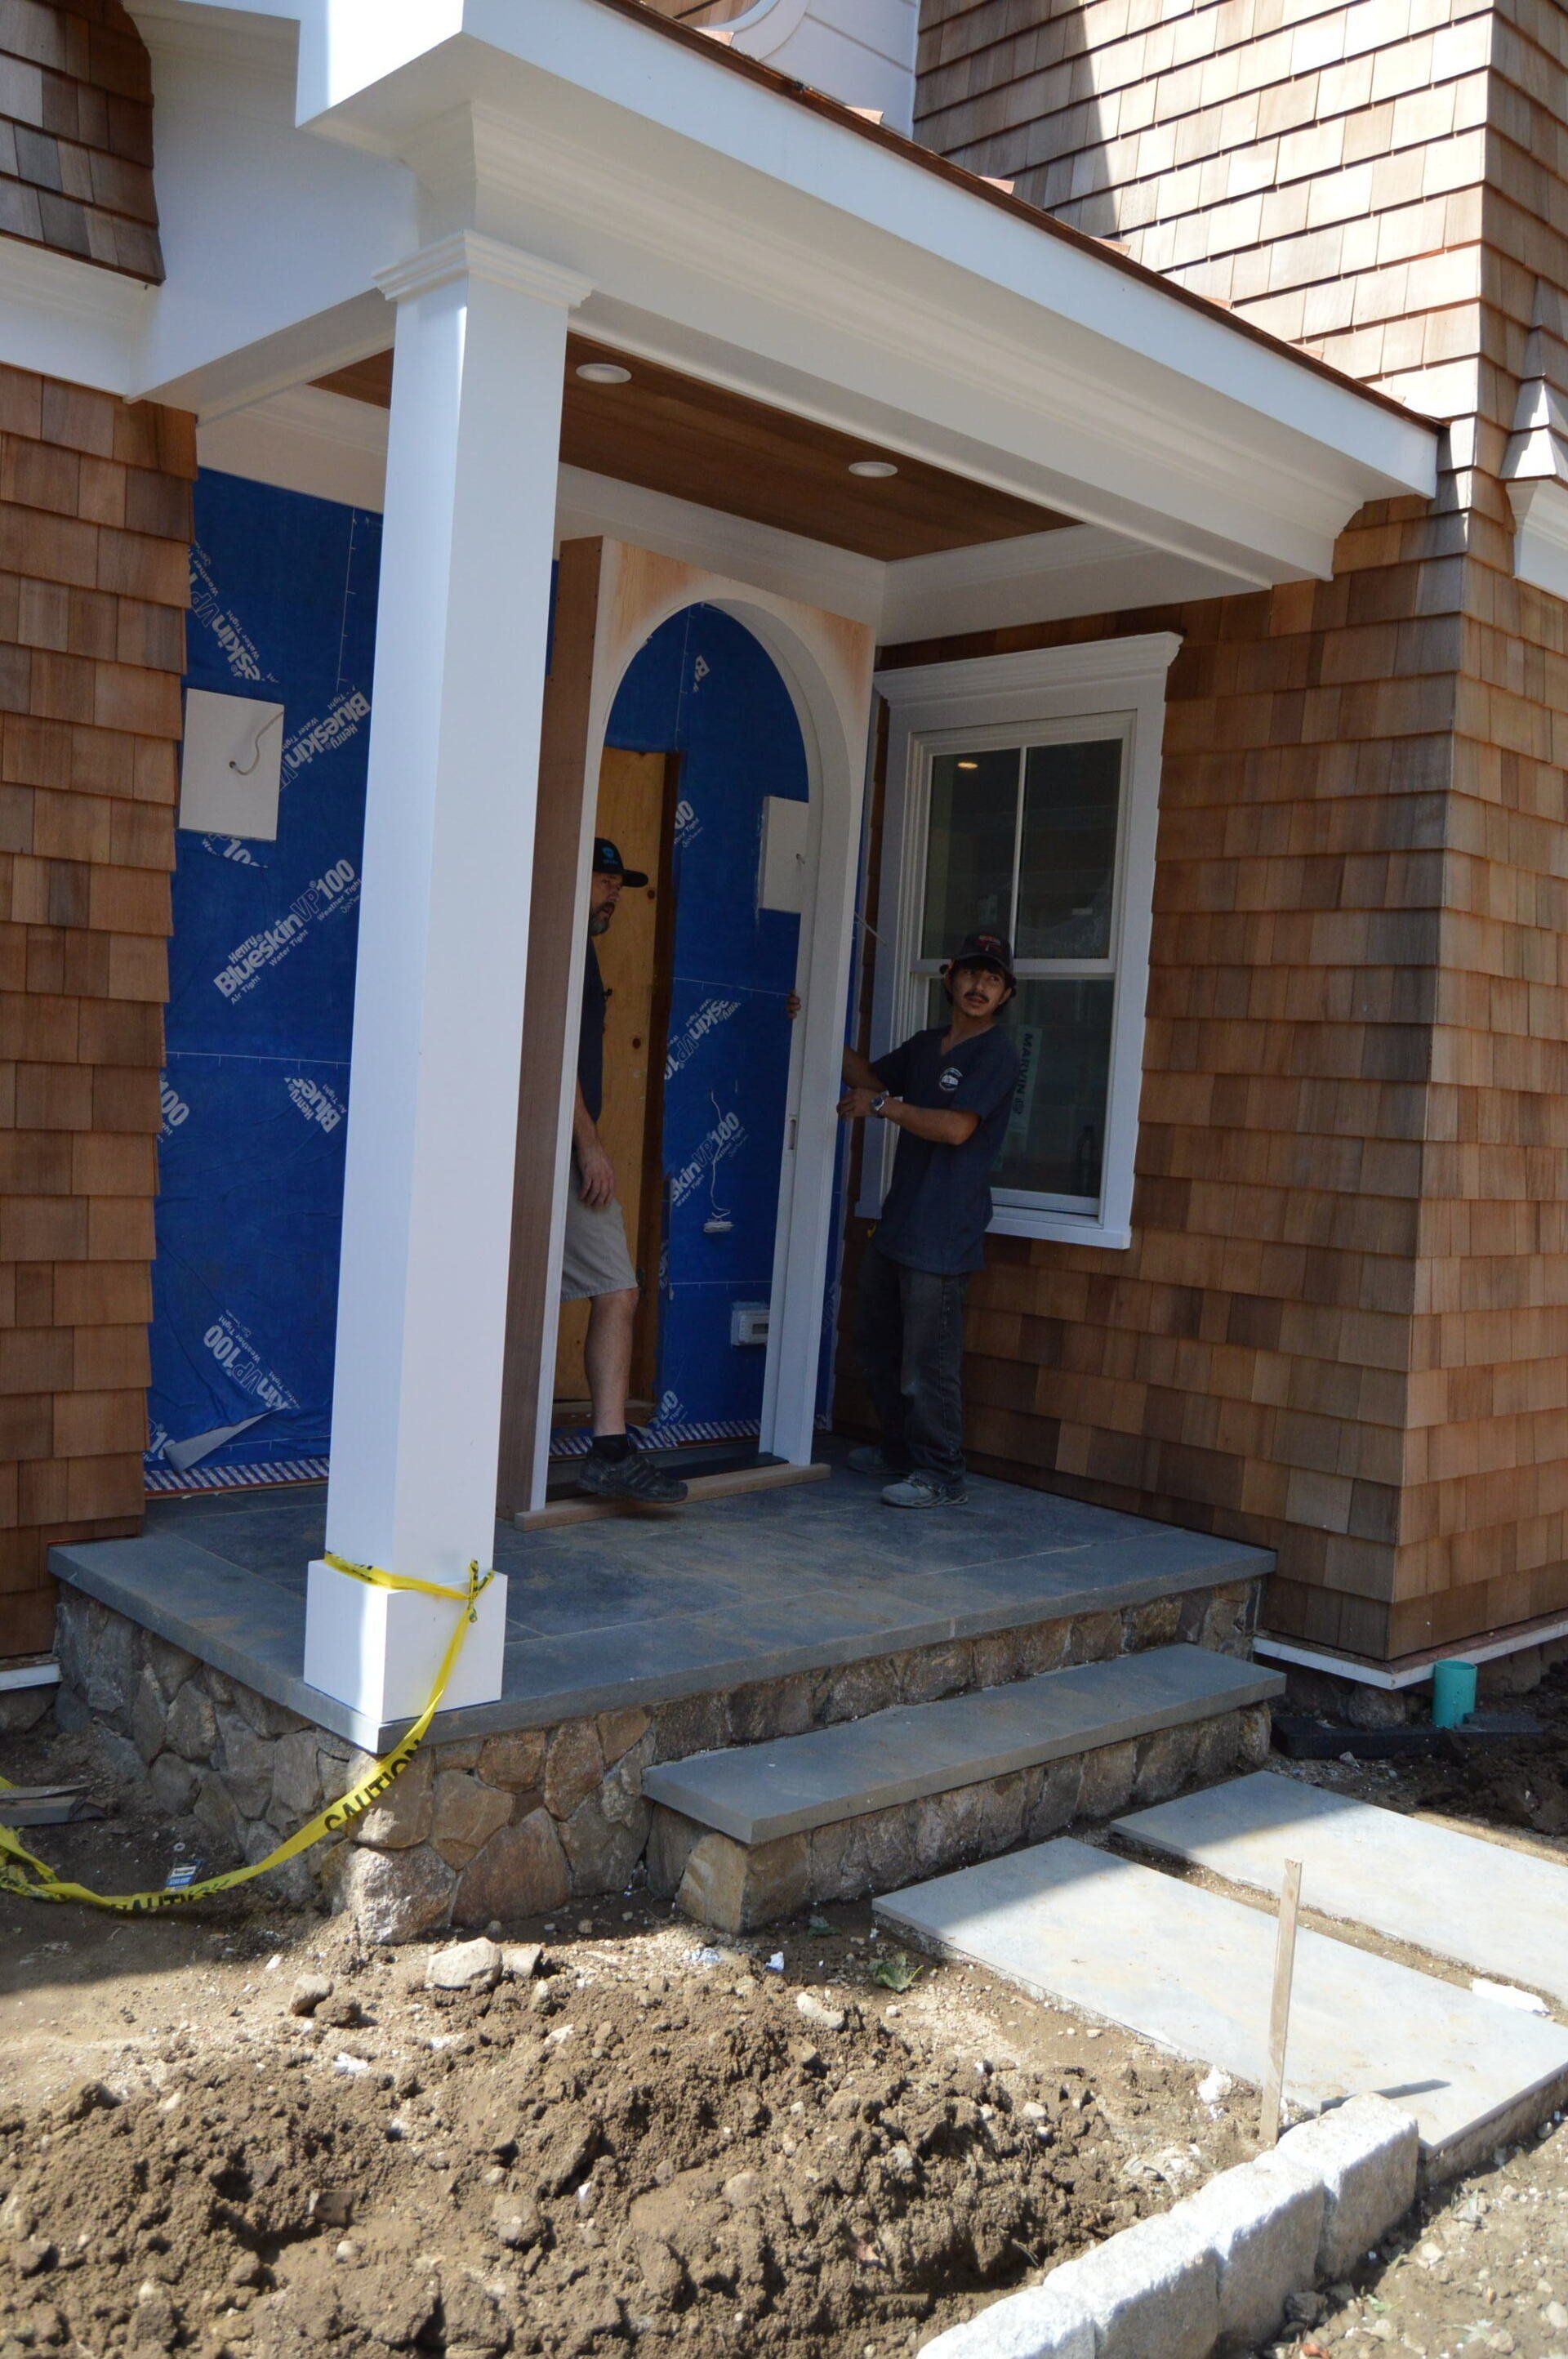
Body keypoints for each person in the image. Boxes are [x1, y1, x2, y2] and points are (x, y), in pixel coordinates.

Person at [837, 930, 1021, 1509]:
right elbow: (870, 1079)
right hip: (899, 1223)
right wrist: (816, 1025)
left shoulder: (996, 1054)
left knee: (928, 1361)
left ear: (1005, 994)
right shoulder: (925, 1046)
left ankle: (940, 1473)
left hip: (944, 1230)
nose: (979, 985)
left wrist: (882, 1107)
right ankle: (900, 1450)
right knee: (878, 1345)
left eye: (993, 979)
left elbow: (956, 1128)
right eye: (971, 973)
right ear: (950, 978)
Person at [566, 838, 688, 1504]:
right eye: (604, 878)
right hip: (551, 1149)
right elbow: (550, 1053)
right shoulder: (555, 946)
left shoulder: (581, 950)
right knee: (611, 1287)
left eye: (619, 882)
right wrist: (588, 1144)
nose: (615, 891)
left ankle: (609, 1449)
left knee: (617, 1286)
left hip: (565, 1146)